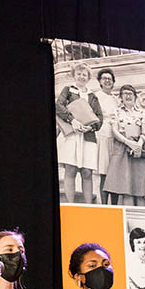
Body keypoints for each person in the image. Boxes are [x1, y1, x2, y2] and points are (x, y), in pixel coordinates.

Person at [56, 64, 104, 204]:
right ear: (74, 75)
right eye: (79, 73)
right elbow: (59, 106)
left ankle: (88, 206)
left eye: (85, 74)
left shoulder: (92, 96)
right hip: (72, 135)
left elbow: (99, 117)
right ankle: (70, 205)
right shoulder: (68, 90)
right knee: (70, 169)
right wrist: (73, 121)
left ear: (88, 77)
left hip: (88, 137)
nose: (81, 76)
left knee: (87, 172)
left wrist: (90, 127)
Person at [104, 85, 145, 207]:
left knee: (140, 189)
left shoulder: (142, 112)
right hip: (122, 149)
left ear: (135, 97)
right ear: (121, 97)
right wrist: (128, 143)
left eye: (131, 93)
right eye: (125, 94)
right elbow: (115, 131)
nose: (128, 96)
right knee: (126, 189)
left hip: (138, 152)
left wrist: (138, 145)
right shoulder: (117, 112)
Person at [86, 67, 120, 204]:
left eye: (110, 79)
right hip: (102, 134)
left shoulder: (116, 99)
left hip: (116, 136)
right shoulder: (96, 96)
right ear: (99, 81)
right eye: (104, 79)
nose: (107, 81)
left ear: (113, 82)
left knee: (115, 172)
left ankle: (116, 205)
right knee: (105, 173)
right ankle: (105, 204)